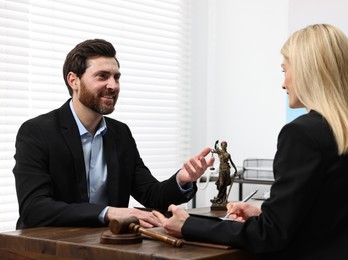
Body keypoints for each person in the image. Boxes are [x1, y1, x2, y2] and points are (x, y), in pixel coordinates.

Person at [153, 24, 348, 259]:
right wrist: (265, 212)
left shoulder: (302, 135)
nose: (284, 83)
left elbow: (270, 235)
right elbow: (334, 219)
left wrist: (189, 225)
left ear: (308, 71)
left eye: (285, 70)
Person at [13, 39, 214, 229]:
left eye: (116, 77)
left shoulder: (120, 133)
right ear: (74, 80)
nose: (113, 86)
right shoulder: (37, 132)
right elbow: (34, 208)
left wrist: (182, 179)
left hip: (106, 244)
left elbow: (150, 194)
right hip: (47, 247)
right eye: (102, 76)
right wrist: (108, 212)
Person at [211, 140, 237, 206]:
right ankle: (218, 198)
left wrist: (235, 169)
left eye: (224, 145)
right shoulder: (220, 152)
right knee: (221, 184)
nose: (223, 146)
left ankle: (221, 199)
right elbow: (216, 148)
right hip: (221, 170)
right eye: (222, 145)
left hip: (227, 170)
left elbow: (231, 162)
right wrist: (215, 143)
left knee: (225, 186)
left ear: (226, 146)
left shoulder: (228, 154)